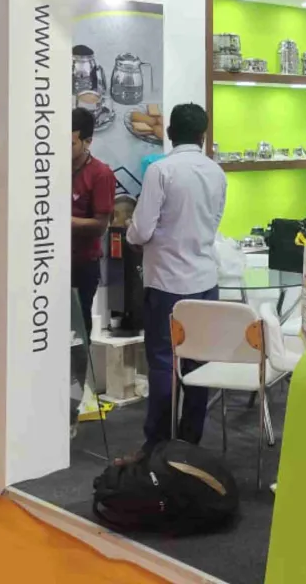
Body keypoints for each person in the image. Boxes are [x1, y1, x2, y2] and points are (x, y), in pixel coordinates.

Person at [126, 103, 226, 454]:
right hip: (205, 281)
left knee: (163, 363)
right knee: (197, 362)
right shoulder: (217, 172)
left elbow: (141, 230)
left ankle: (157, 443)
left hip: (167, 283)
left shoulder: (161, 170)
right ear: (203, 136)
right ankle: (189, 442)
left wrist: (133, 236)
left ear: (169, 133)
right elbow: (214, 221)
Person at [70, 107, 114, 338]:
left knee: (77, 327)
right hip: (48, 260)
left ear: (88, 142)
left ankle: (79, 363)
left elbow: (100, 226)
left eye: (71, 143)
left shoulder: (100, 174)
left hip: (82, 263)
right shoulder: (49, 168)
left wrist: (61, 222)